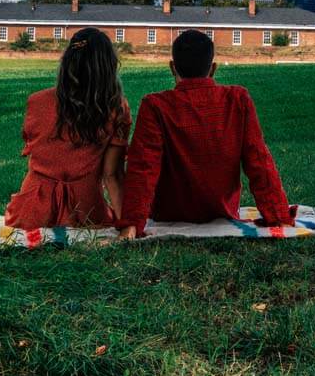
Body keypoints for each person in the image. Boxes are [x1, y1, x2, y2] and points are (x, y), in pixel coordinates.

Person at [118, 28, 295, 239]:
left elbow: (143, 168)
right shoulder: (237, 99)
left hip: (169, 214)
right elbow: (258, 162)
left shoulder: (155, 106)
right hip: (221, 212)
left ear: (172, 68)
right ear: (213, 68)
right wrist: (278, 215)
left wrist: (132, 224)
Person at [5, 27, 131, 228]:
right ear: (109, 67)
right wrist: (127, 224)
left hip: (30, 213)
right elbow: (112, 175)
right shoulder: (116, 108)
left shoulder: (36, 102)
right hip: (85, 213)